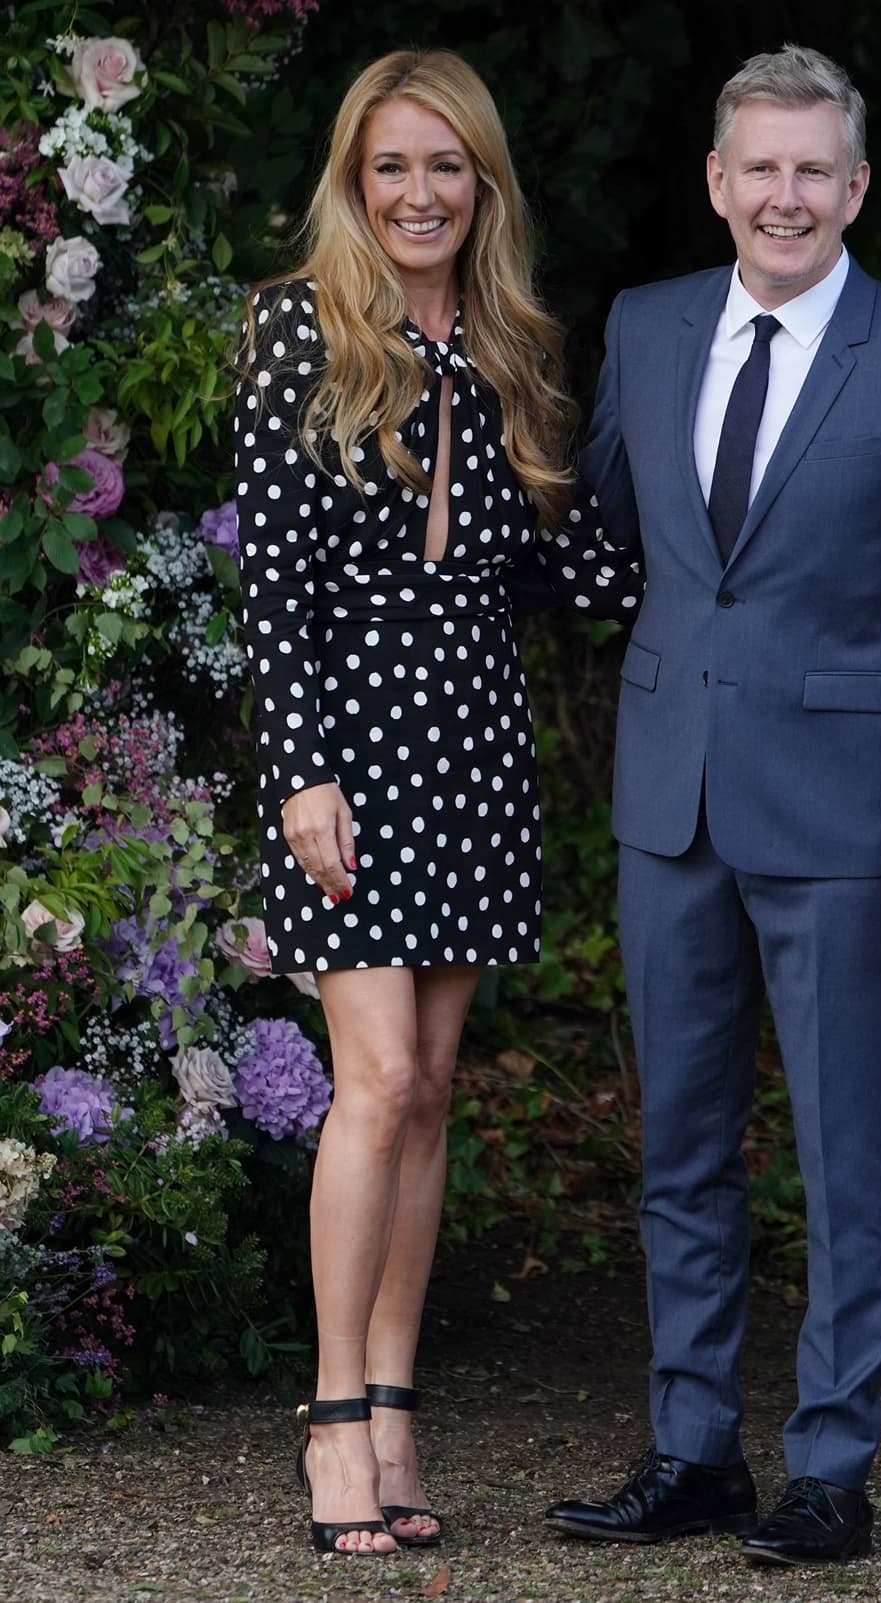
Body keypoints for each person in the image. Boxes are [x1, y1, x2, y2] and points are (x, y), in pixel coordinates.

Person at [544, 44, 881, 1566]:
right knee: (680, 1144)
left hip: (848, 821)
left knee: (844, 1152)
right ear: (716, 181)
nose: (786, 195)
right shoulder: (648, 326)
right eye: (760, 167)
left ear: (857, 187)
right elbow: (613, 541)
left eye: (815, 169)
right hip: (669, 800)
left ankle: (831, 1466)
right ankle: (696, 1451)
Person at [234, 49, 639, 1557]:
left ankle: (398, 1405)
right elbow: (274, 580)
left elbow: (572, 567)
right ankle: (336, 1416)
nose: (419, 193)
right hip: (346, 756)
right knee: (381, 1080)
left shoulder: (509, 345)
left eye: (446, 167)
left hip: (471, 756)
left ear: (484, 188)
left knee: (436, 1091)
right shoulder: (295, 332)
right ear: (356, 180)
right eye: (392, 166)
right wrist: (298, 774)